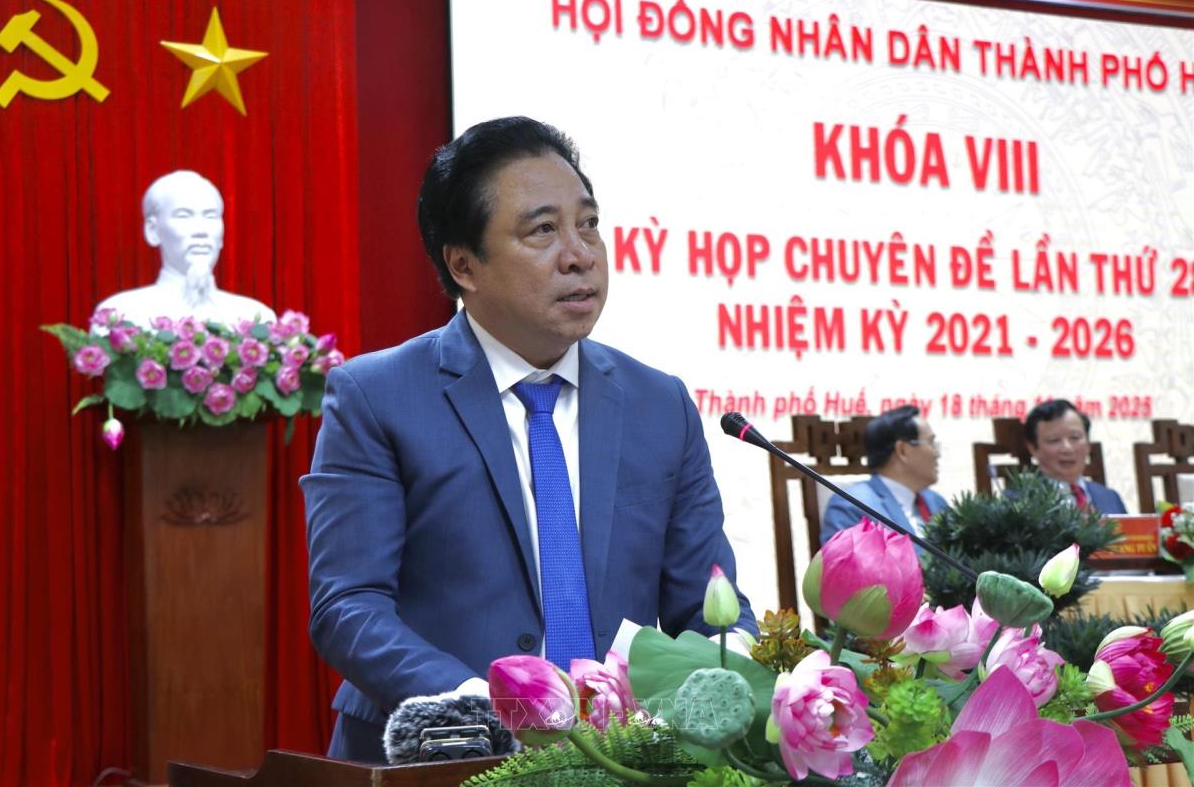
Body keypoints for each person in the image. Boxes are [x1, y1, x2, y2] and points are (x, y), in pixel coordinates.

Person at [300, 117, 755, 762]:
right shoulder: (376, 396)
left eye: (588, 224)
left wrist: (733, 683)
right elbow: (348, 607)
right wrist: (490, 708)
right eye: (543, 230)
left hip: (622, 762)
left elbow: (708, 609)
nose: (580, 254)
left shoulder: (660, 405)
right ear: (464, 265)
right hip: (442, 758)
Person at [93, 170, 275, 329]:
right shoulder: (121, 315)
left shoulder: (254, 318)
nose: (201, 230)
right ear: (152, 230)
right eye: (183, 216)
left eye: (210, 216)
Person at [819, 405, 947, 547]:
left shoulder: (936, 501)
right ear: (903, 450)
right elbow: (842, 559)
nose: (937, 454)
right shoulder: (851, 506)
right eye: (931, 443)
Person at [1024, 399, 1127, 514]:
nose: (1067, 448)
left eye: (1075, 437)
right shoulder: (1020, 502)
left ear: (1088, 444)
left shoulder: (1110, 498)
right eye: (1054, 440)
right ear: (1033, 448)